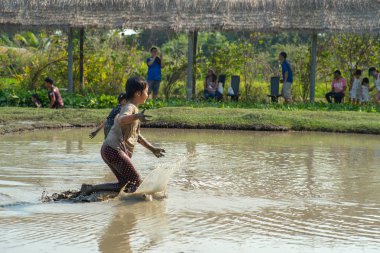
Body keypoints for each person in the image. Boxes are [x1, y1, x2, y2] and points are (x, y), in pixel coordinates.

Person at [81, 77, 165, 195]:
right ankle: (136, 204)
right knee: (137, 182)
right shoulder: (130, 107)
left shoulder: (133, 108)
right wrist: (137, 116)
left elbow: (137, 136)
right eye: (146, 91)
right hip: (113, 150)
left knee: (124, 184)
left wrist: (153, 149)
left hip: (109, 149)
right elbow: (121, 120)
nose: (148, 94)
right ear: (138, 93)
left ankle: (90, 189)